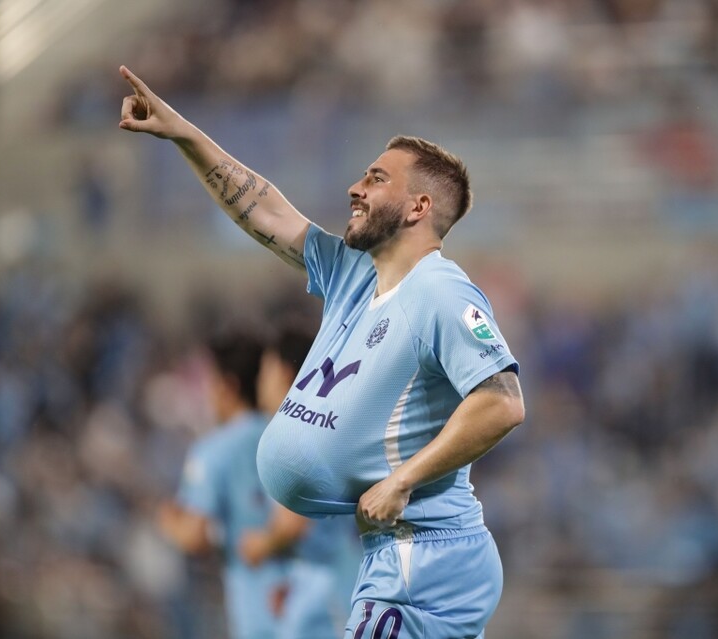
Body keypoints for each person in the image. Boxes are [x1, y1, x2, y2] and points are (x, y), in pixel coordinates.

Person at [119, 65, 525, 638]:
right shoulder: (354, 274)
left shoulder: (439, 288)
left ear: (418, 208)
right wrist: (182, 133)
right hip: (398, 555)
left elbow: (503, 402)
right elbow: (265, 211)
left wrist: (402, 480)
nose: (356, 188)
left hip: (427, 556)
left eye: (377, 178)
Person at [157, 327, 290, 639]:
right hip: (312, 604)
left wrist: (168, 521)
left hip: (258, 609)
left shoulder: (212, 451)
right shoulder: (285, 434)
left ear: (228, 387)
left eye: (210, 382)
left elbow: (195, 536)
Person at [239, 318, 361, 639]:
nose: (260, 381)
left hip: (330, 591)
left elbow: (295, 524)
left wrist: (260, 545)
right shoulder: (327, 425)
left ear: (283, 372)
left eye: (265, 369)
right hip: (332, 584)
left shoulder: (297, 435)